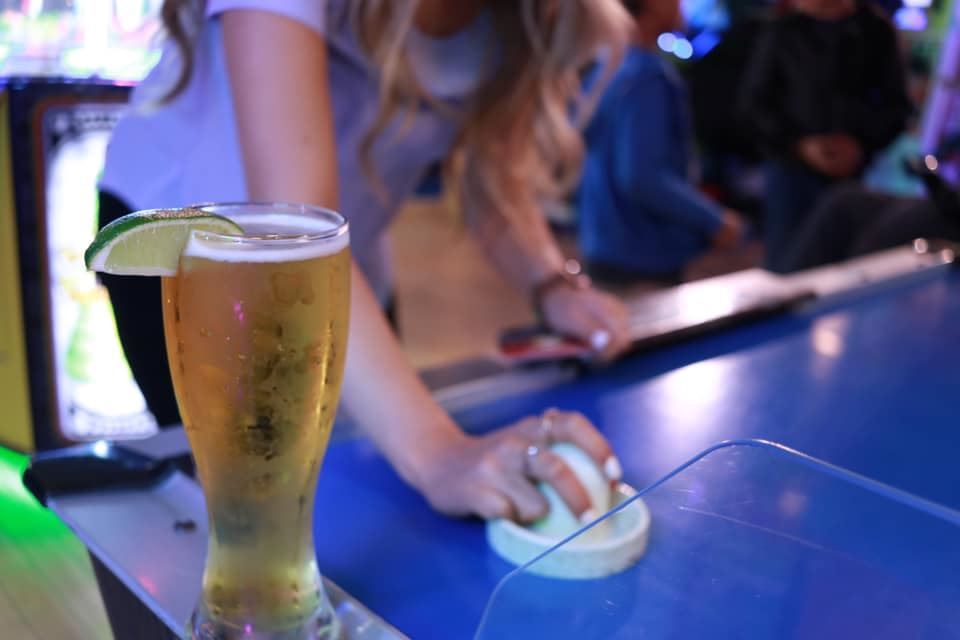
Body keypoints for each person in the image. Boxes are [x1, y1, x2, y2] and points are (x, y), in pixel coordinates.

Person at [97, 0, 635, 525]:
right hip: (190, 256)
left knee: (348, 474)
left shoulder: (527, 15)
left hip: (350, 262)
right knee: (244, 502)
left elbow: (489, 175)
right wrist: (438, 452)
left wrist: (552, 284)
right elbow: (297, 234)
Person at [577, 0, 746, 286]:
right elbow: (642, 177)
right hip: (642, 252)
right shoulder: (648, 76)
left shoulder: (608, 63)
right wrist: (714, 220)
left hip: (604, 239)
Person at [738, 0, 912, 273]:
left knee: (840, 268)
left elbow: (897, 108)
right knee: (786, 266)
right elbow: (754, 105)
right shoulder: (783, 30)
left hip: (850, 175)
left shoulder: (875, 31)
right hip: (790, 172)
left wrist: (859, 145)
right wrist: (800, 146)